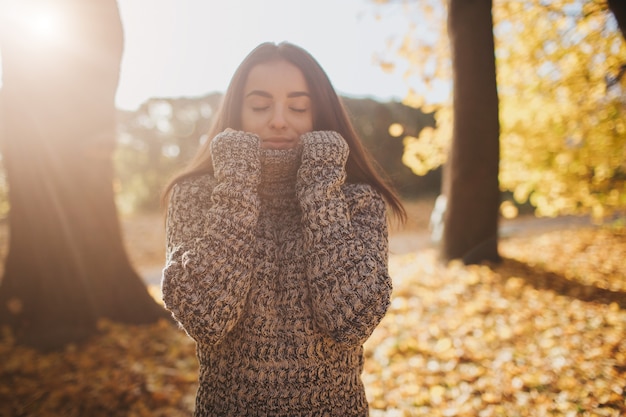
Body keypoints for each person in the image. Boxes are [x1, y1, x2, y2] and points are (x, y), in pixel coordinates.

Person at [161, 41, 406, 416]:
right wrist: (237, 183)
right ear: (236, 112)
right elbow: (206, 317)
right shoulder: (193, 195)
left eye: (298, 106)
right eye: (259, 105)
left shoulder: (358, 200)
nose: (278, 119)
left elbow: (352, 320)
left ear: (318, 113)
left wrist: (321, 190)